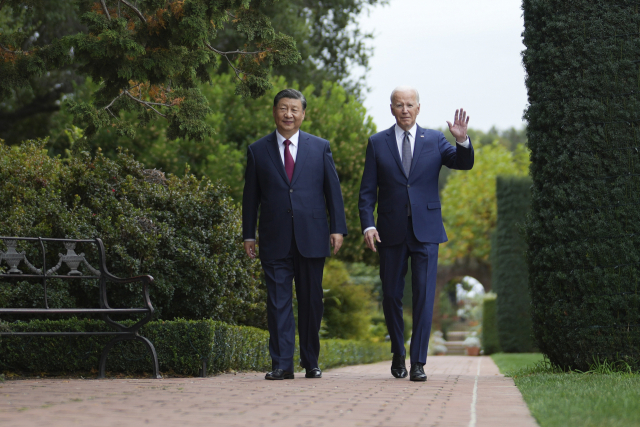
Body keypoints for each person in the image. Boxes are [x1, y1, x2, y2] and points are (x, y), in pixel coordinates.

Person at [358, 86, 474, 381]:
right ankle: (398, 351)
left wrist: (462, 141)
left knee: (424, 296)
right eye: (399, 105)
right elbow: (367, 191)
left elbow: (463, 163)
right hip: (390, 232)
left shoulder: (435, 139)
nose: (405, 109)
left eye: (410, 104)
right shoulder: (377, 143)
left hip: (427, 231)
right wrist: (368, 224)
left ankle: (419, 362)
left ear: (419, 108)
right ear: (392, 108)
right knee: (391, 295)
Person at [242, 88, 348, 380]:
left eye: (294, 110)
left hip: (312, 236)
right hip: (274, 237)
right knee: (277, 303)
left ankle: (311, 361)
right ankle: (281, 364)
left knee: (312, 301)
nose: (288, 114)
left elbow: (332, 191)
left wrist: (337, 228)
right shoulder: (257, 150)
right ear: (274, 112)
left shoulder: (320, 147)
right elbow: (250, 197)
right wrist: (248, 234)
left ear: (303, 114)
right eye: (283, 109)